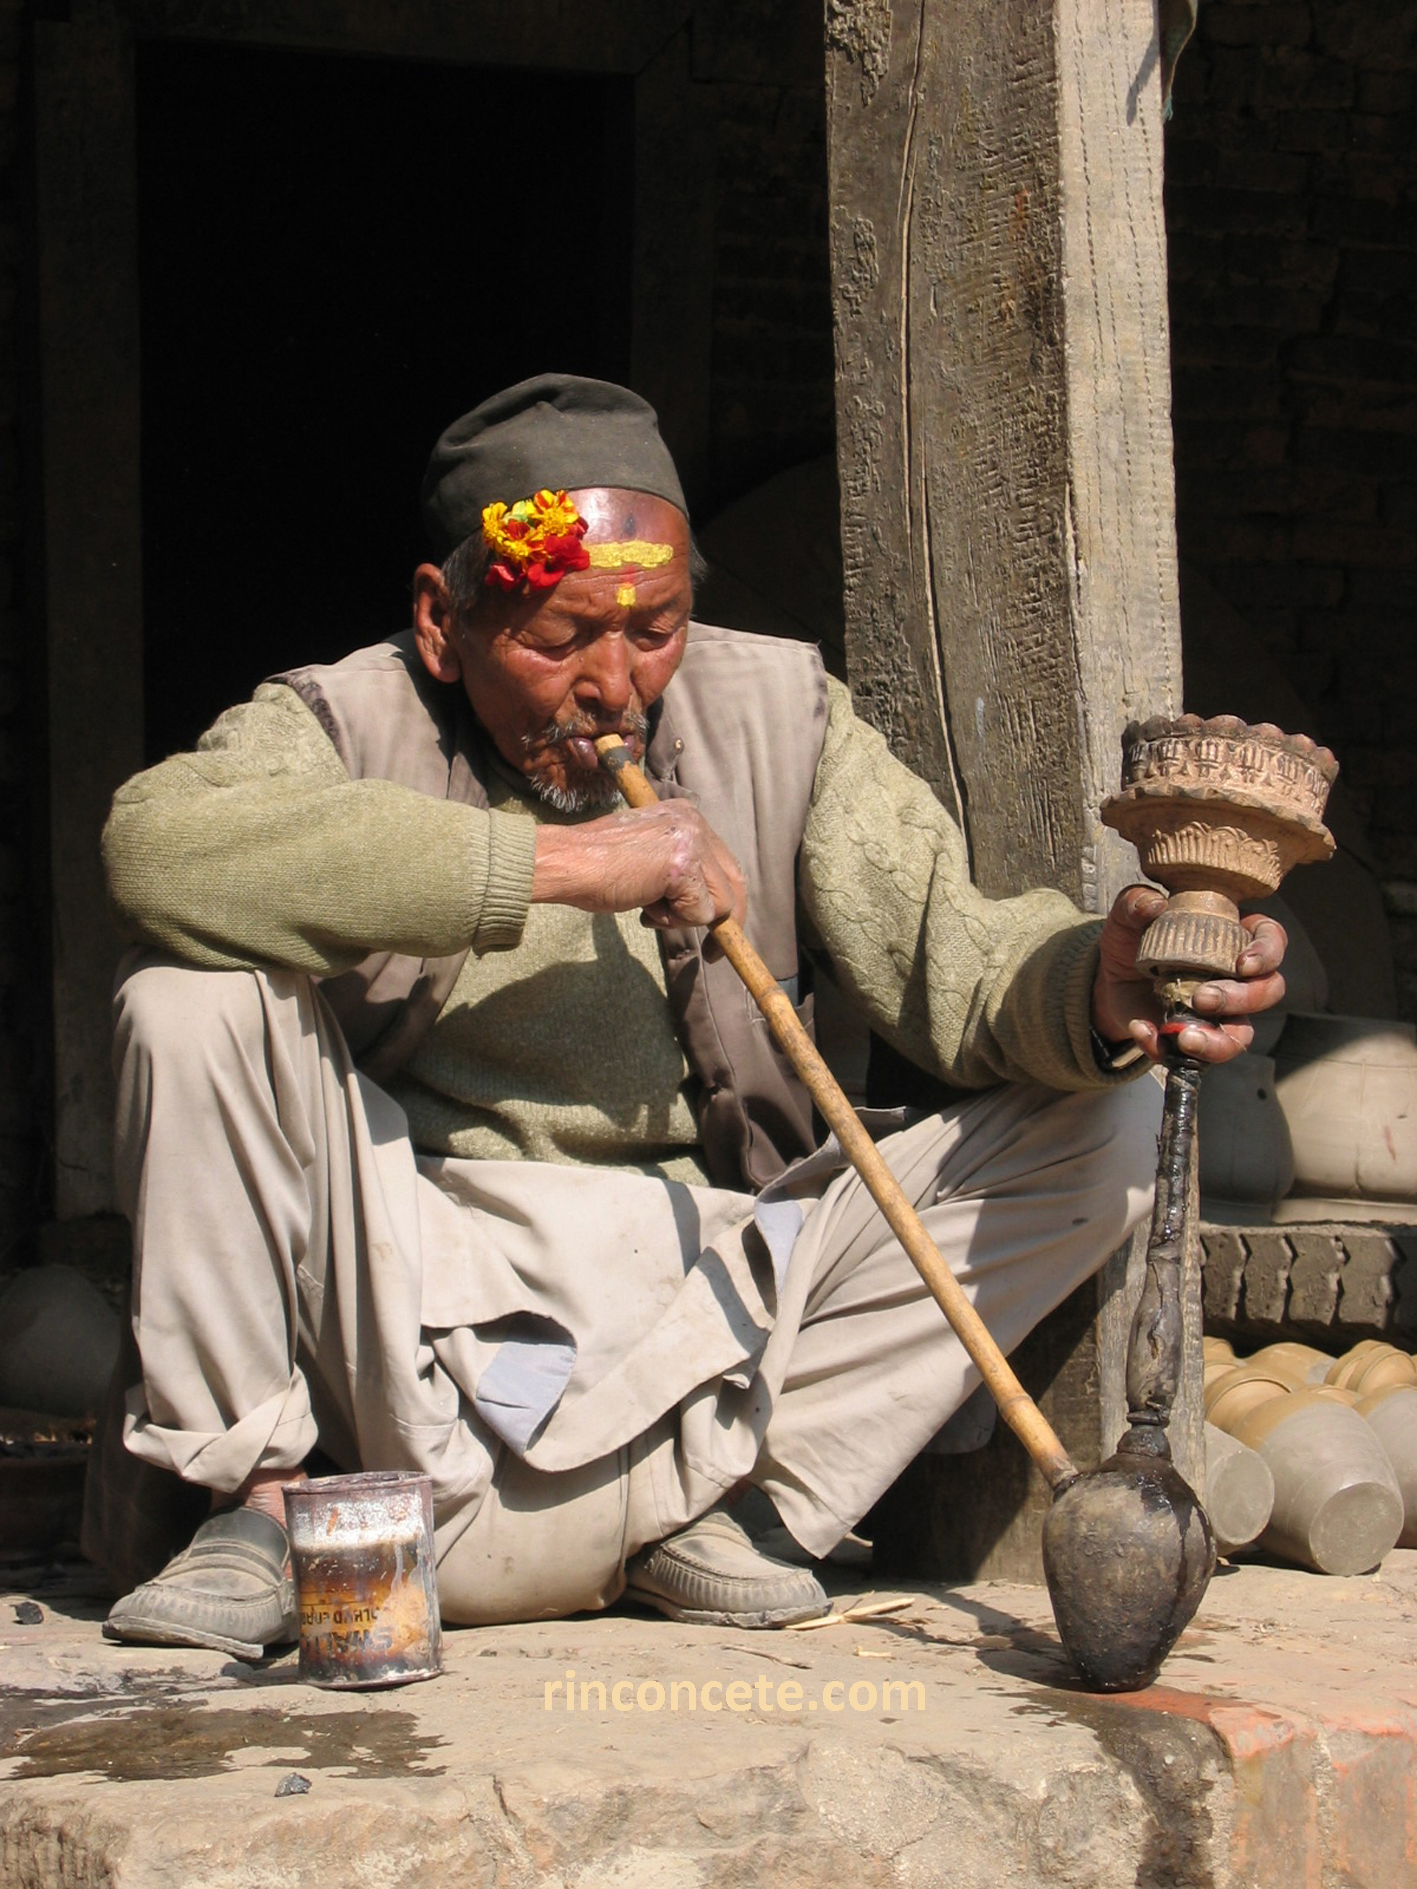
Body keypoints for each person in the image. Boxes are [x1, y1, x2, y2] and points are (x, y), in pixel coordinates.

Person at [93, 375, 1284, 1659]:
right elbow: (156, 845)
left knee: (1101, 1126)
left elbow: (958, 954)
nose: (617, 686)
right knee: (185, 1000)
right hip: (397, 1290)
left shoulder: (776, 712)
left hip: (708, 1289)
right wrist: (567, 868)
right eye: (560, 638)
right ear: (445, 621)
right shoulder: (345, 715)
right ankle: (257, 1504)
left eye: (655, 628)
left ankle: (751, 1513)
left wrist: (1097, 986)